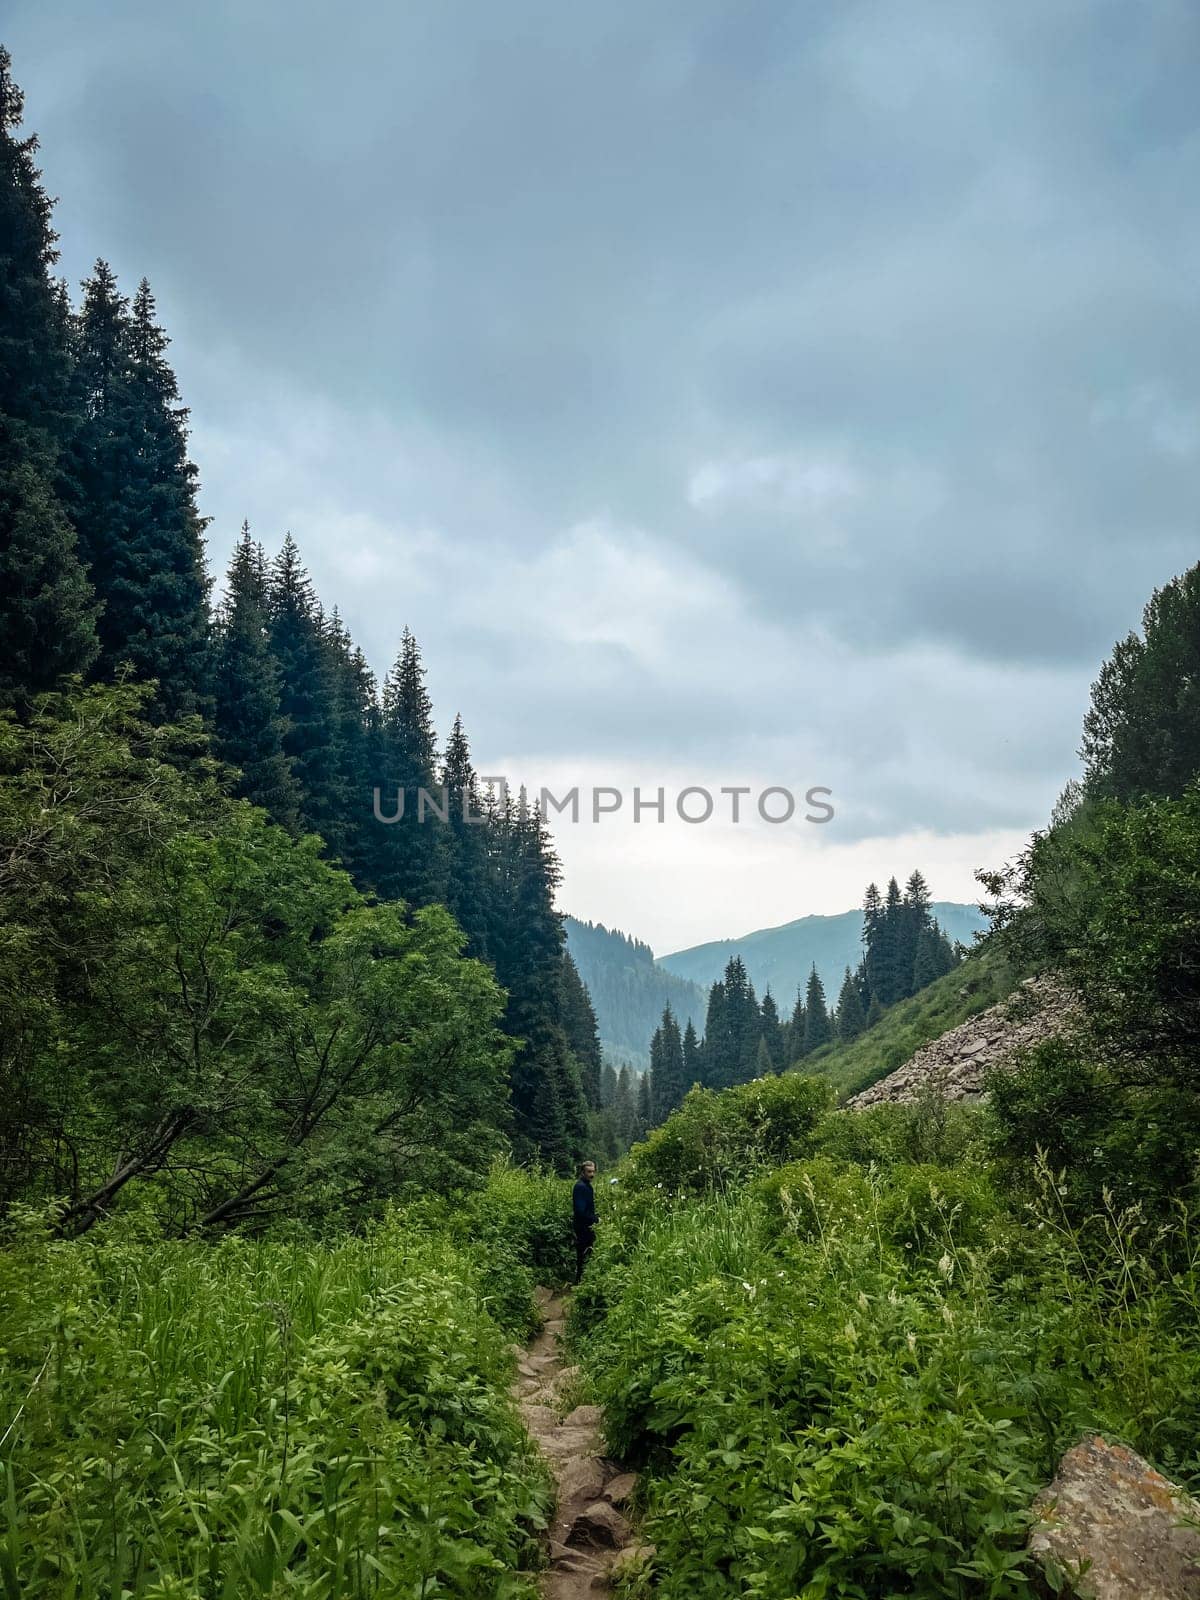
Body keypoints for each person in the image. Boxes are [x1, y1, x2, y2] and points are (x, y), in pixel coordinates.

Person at [572, 1159, 598, 1283]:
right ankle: (580, 1281)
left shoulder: (587, 1186)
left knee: (587, 1252)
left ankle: (583, 1279)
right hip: (582, 1226)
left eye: (593, 1171)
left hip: (587, 1225)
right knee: (583, 1253)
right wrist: (595, 1219)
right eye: (589, 1172)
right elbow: (580, 1211)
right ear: (583, 1172)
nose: (591, 1174)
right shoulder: (580, 1187)